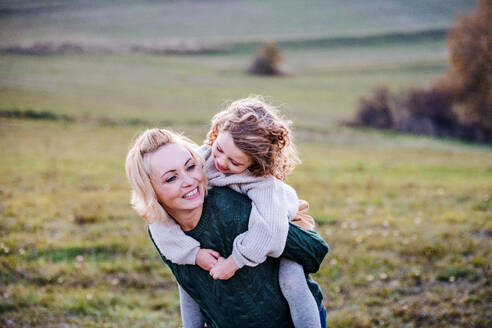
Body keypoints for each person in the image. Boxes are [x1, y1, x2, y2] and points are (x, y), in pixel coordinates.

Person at [125, 128, 329, 327]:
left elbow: (314, 249)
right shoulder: (162, 231)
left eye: (190, 167)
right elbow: (188, 284)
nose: (189, 181)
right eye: (171, 178)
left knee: (292, 280)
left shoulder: (232, 209)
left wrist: (240, 257)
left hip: (290, 320)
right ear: (150, 191)